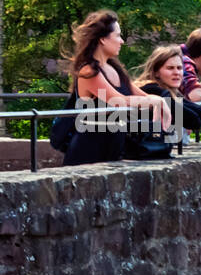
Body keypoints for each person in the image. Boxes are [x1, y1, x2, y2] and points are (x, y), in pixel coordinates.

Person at [63, 10, 170, 167]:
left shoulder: (115, 69)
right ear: (103, 40)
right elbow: (120, 101)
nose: (122, 41)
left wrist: (160, 101)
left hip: (112, 150)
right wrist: (157, 101)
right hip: (88, 153)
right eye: (118, 36)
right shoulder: (89, 71)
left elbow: (142, 97)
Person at [133, 44, 201, 142]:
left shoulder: (169, 92)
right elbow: (194, 121)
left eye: (179, 68)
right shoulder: (151, 90)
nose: (176, 72)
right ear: (156, 72)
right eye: (170, 68)